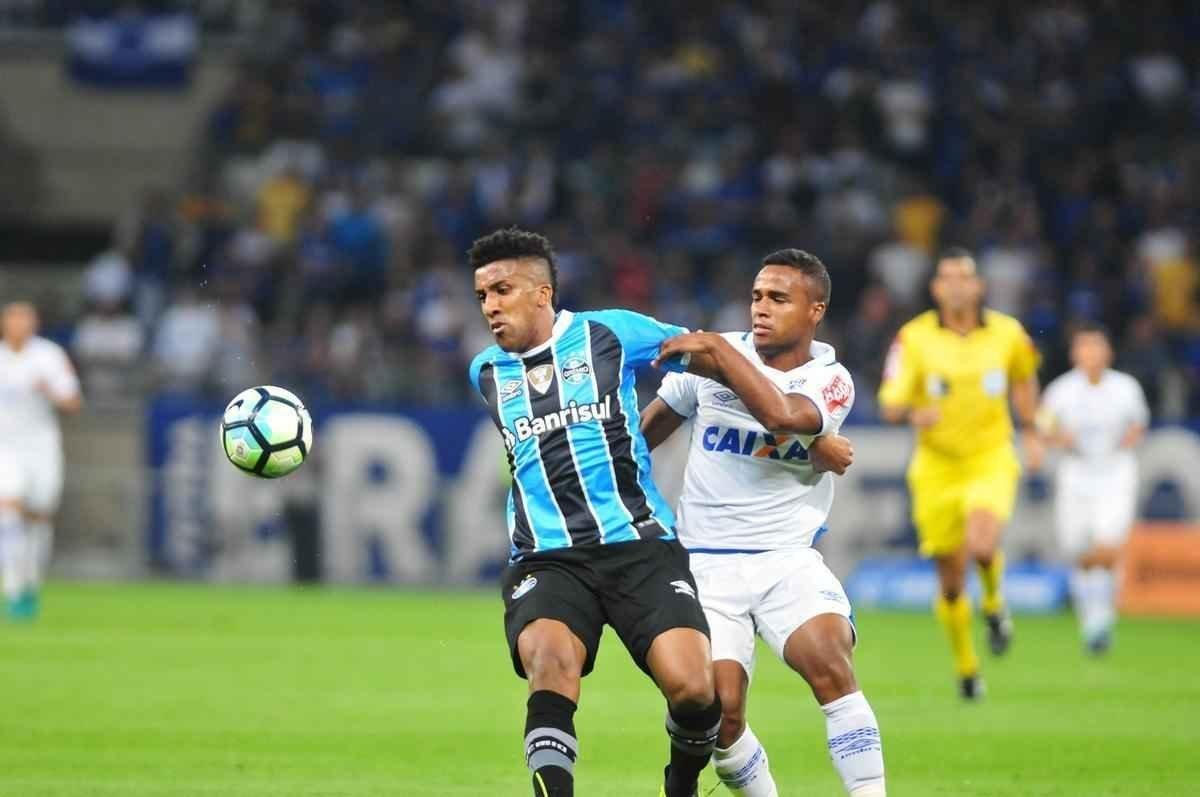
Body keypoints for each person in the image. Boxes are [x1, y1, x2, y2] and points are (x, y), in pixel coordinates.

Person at [466, 227, 720, 797]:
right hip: (547, 558)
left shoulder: (612, 332)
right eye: (482, 295)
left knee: (696, 689)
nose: (490, 306)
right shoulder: (485, 370)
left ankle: (680, 785)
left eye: (502, 290)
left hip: (640, 545)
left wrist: (797, 429)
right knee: (550, 664)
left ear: (541, 293)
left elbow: (708, 357)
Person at [643, 249, 886, 796]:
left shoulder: (830, 378)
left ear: (815, 310)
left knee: (829, 663)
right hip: (705, 564)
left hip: (786, 559)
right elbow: (642, 437)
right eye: (756, 296)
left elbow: (785, 415)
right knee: (721, 718)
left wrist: (719, 354)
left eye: (779, 298)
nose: (761, 308)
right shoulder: (709, 361)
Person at [877, 248, 1042, 699]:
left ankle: (993, 604)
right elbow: (889, 402)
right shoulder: (913, 338)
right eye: (946, 278)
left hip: (989, 457)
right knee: (950, 581)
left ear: (977, 286)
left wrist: (1030, 430)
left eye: (963, 277)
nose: (955, 285)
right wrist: (913, 412)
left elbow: (1024, 378)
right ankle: (968, 668)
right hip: (936, 468)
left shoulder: (1008, 335)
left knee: (983, 542)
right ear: (935, 288)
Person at [1038, 323, 1149, 655]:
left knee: (1107, 546)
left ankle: (1101, 620)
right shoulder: (1061, 391)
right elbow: (1043, 427)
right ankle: (1092, 621)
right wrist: (1059, 438)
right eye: (1085, 348)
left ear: (1108, 352)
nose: (1091, 354)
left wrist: (1130, 437)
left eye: (1097, 347)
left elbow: (1139, 423)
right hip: (1076, 473)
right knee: (1079, 551)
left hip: (1115, 471)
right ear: (1075, 353)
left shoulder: (1125, 387)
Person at [0, 301, 83, 620]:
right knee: (7, 508)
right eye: (14, 319)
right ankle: (12, 589)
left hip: (41, 447)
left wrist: (49, 391)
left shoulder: (48, 356)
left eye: (26, 319)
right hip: (6, 448)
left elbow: (73, 402)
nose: (20, 325)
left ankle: (30, 585)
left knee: (38, 518)